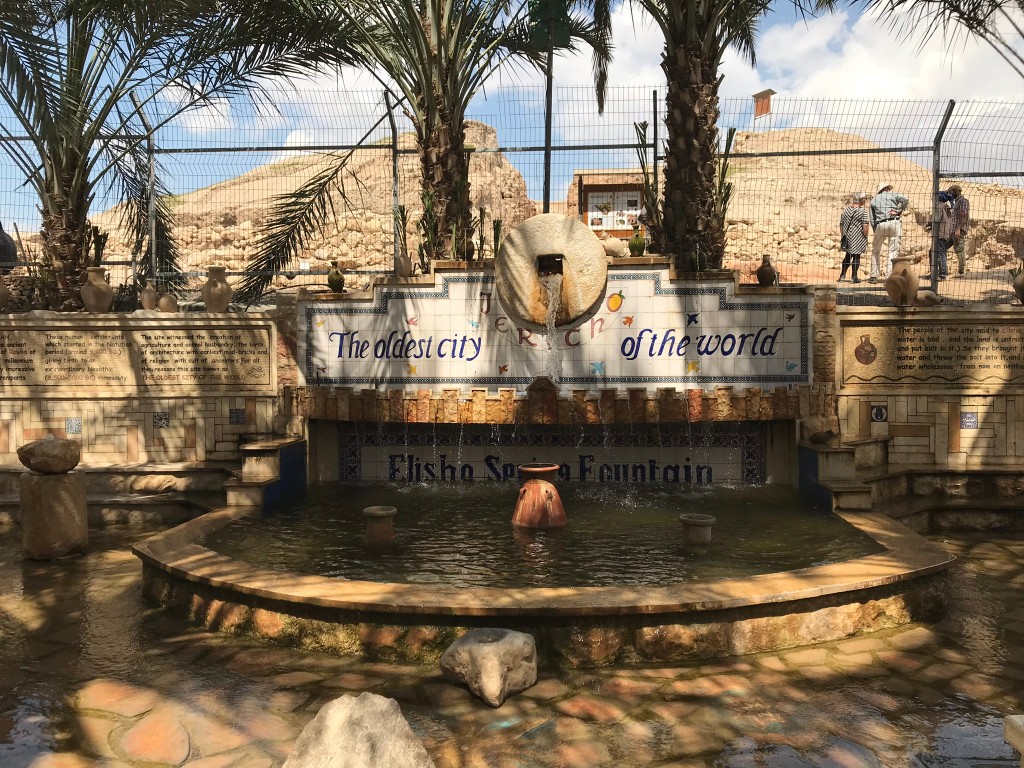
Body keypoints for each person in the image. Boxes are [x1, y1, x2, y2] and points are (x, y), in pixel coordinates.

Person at [868, 182, 909, 282]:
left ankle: (874, 276)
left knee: (876, 250)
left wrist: (875, 229)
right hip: (894, 222)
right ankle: (889, 277)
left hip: (880, 224)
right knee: (893, 251)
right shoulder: (892, 194)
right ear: (886, 188)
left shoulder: (874, 200)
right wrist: (898, 210)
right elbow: (905, 199)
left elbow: (872, 219)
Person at [838, 192, 869, 283]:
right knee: (856, 256)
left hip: (847, 237)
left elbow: (841, 224)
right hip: (858, 237)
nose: (865, 200)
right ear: (861, 200)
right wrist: (865, 236)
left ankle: (842, 275)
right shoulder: (862, 211)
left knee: (847, 256)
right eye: (865, 199)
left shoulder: (846, 210)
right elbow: (865, 225)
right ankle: (854, 277)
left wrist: (843, 235)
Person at [924, 191, 953, 281]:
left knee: (939, 253)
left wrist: (929, 224)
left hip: (940, 234)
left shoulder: (939, 207)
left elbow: (936, 220)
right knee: (936, 252)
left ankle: (942, 274)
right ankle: (937, 273)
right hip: (945, 233)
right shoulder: (946, 208)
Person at [947, 183, 970, 275]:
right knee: (943, 247)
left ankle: (961, 271)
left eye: (951, 192)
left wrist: (958, 228)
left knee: (959, 249)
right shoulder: (956, 202)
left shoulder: (963, 201)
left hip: (958, 230)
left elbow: (964, 216)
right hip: (953, 231)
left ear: (956, 191)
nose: (950, 194)